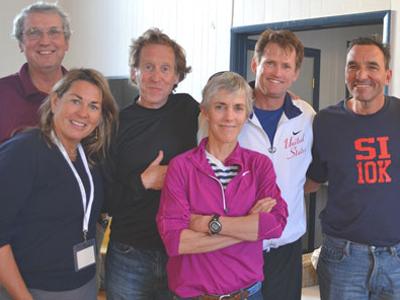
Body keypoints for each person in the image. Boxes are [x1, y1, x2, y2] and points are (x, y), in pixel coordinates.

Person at [156, 71, 288, 299]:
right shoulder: (181, 167)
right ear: (205, 111)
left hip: (249, 294)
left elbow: (275, 225)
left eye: (238, 108)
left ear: (247, 114)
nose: (229, 116)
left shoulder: (259, 165)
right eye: (220, 106)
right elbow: (176, 241)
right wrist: (249, 229)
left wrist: (209, 223)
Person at [0, 69, 118, 300]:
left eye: (94, 106)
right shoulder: (24, 151)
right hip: (33, 290)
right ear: (55, 101)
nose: (83, 113)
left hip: (84, 284)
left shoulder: (89, 157)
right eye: (76, 101)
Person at [103, 28, 199, 299]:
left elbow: (226, 101)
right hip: (128, 254)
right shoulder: (116, 124)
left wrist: (277, 96)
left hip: (180, 250)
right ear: (135, 72)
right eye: (148, 67)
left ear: (177, 76)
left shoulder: (189, 109)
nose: (156, 76)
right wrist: (144, 181)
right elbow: (104, 200)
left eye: (165, 68)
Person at [306, 37, 400, 299]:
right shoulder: (325, 121)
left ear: (388, 74)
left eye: (372, 66)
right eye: (353, 66)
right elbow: (312, 180)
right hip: (343, 258)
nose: (362, 75)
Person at [237, 29, 315, 299]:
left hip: (286, 246)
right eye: (270, 63)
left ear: (295, 74)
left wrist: (288, 193)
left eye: (286, 66)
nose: (277, 72)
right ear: (255, 64)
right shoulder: (228, 112)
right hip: (236, 245)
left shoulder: (305, 116)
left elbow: (313, 174)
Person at [0, 1, 70, 144]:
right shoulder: (3, 93)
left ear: (66, 42)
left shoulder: (88, 95)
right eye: (34, 33)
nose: (44, 41)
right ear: (20, 43)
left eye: (54, 32)